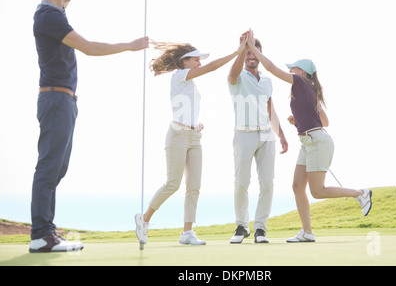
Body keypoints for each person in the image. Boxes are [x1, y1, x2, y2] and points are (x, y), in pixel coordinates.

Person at [31, 0, 149, 253]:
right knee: (49, 168)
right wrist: (130, 46)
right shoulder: (49, 16)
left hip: (63, 100)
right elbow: (89, 48)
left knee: (57, 169)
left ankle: (47, 232)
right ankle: (41, 235)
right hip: (56, 100)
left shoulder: (55, 9)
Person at [245, 30, 372, 243]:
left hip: (317, 143)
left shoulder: (299, 81)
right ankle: (307, 232)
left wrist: (254, 50)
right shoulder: (307, 89)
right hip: (310, 141)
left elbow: (271, 68)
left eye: (293, 68)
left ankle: (360, 193)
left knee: (317, 191)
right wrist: (301, 120)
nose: (290, 70)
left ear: (301, 71)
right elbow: (325, 121)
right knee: (297, 186)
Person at [135, 37, 248, 246]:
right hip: (177, 136)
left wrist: (197, 124)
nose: (200, 64)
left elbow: (187, 108)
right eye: (196, 60)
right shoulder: (179, 75)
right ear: (185, 62)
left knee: (194, 186)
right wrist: (236, 52)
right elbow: (213, 67)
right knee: (172, 183)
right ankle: (144, 219)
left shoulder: (190, 82)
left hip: (194, 137)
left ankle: (187, 232)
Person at [228, 31, 288, 244]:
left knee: (267, 183)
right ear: (244, 55)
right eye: (249, 54)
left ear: (261, 56)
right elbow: (232, 74)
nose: (252, 57)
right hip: (243, 134)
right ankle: (242, 226)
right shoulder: (237, 77)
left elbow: (270, 110)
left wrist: (281, 135)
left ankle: (260, 228)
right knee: (242, 183)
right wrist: (243, 47)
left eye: (256, 53)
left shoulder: (267, 82)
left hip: (266, 135)